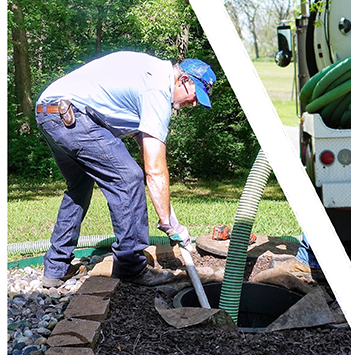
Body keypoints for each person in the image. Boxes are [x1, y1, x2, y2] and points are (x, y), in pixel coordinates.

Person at [35, 52, 216, 288]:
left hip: (49, 113)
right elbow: (154, 170)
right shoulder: (158, 90)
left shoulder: (149, 74)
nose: (193, 103)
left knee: (79, 186)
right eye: (195, 96)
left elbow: (147, 148)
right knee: (129, 179)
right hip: (73, 116)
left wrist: (168, 214)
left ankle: (55, 268)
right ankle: (131, 266)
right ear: (184, 81)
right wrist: (169, 226)